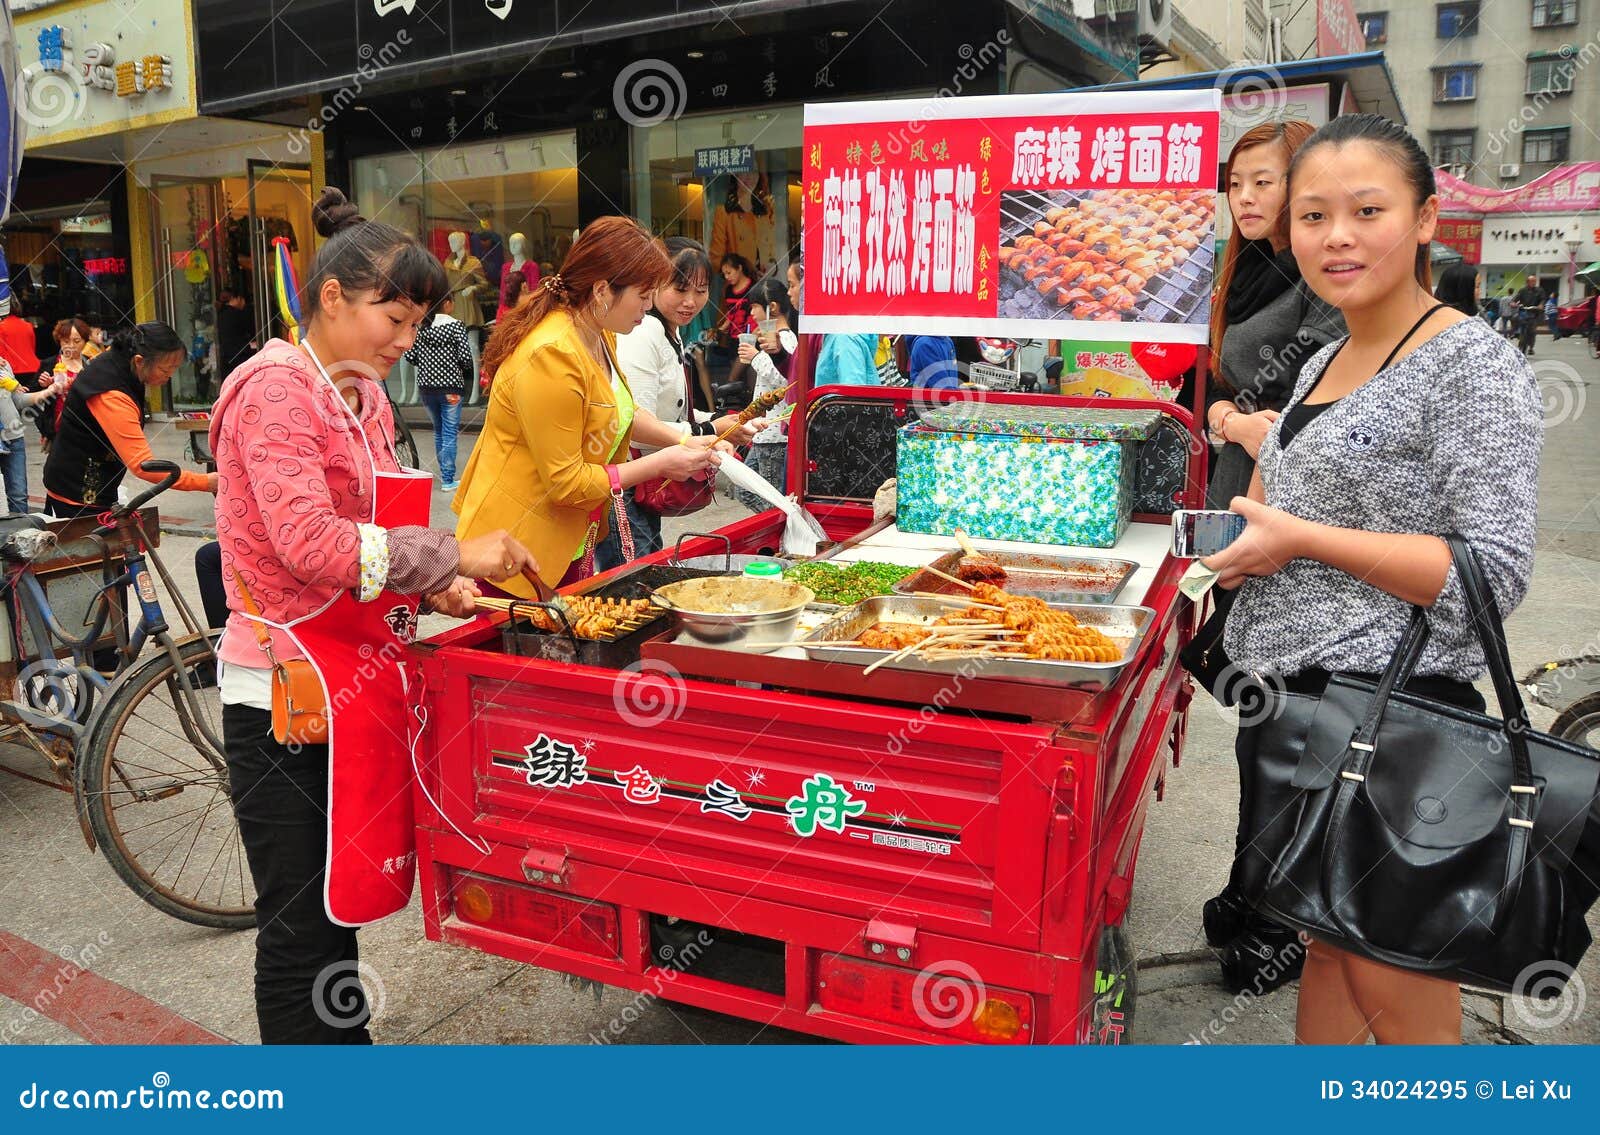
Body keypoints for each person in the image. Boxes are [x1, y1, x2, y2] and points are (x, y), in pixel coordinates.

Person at [1204, 114, 1544, 1044]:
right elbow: (1293, 477)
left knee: (1389, 965)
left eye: (1367, 210)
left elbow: (1490, 571)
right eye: (1313, 214)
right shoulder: (1324, 355)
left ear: (1427, 218)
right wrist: (1248, 542)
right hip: (1297, 706)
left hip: (1395, 720)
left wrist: (1301, 538)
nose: (1336, 236)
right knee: (1325, 942)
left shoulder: (1470, 363)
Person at [212, 186, 535, 1045]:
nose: (406, 341)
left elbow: (382, 533)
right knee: (297, 924)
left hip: (352, 681)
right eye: (391, 319)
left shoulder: (365, 395)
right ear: (330, 299)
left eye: (417, 322)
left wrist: (431, 587)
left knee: (338, 901)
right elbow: (312, 542)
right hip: (282, 697)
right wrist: (454, 555)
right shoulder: (276, 391)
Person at [1196, 120, 1346, 994]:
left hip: (1294, 525)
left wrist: (1255, 426)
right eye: (1237, 183)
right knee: (1257, 713)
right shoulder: (1241, 267)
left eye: (1266, 181)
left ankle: (1274, 914)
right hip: (1237, 504)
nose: (1249, 198)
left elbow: (1323, 408)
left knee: (1287, 725)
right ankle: (1254, 893)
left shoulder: (1321, 276)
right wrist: (1226, 419)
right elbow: (1220, 391)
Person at [453, 216, 724, 598]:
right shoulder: (553, 353)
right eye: (643, 295)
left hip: (572, 538)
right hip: (516, 548)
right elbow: (566, 482)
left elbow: (619, 418)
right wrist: (661, 462)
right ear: (602, 291)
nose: (647, 308)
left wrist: (687, 440)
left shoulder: (600, 335)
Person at [595, 237, 760, 572]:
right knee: (636, 584)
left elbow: (670, 411)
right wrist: (711, 429)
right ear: (653, 283)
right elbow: (635, 425)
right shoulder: (643, 332)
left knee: (646, 575)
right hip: (627, 486)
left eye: (700, 290)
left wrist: (719, 422)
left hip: (643, 484)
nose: (691, 301)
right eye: (680, 288)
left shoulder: (668, 330)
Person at [41, 322, 212, 518]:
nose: (170, 377)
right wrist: (206, 482)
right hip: (75, 495)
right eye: (165, 371)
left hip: (94, 485)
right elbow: (144, 466)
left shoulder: (120, 359)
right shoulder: (111, 394)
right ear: (139, 361)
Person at [732, 276, 798, 511]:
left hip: (775, 436)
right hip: (764, 434)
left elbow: (788, 382)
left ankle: (782, 527)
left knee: (772, 502)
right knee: (744, 491)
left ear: (772, 307)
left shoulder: (786, 339)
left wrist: (757, 358)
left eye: (754, 307)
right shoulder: (772, 339)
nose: (752, 313)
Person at [402, 295, 473, 491]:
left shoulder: (422, 327)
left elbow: (410, 354)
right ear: (448, 304)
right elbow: (466, 358)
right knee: (449, 432)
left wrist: (427, 363)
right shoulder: (456, 326)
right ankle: (448, 479)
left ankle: (445, 476)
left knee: (439, 431)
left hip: (426, 388)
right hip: (451, 388)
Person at [35, 317, 92, 452]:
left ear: (85, 341)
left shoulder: (92, 364)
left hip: (88, 428)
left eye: (77, 341)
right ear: (59, 341)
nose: (71, 346)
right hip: (59, 430)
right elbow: (29, 398)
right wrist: (44, 387)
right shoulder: (49, 365)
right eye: (66, 341)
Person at [214, 289, 257, 382]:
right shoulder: (238, 314)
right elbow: (251, 330)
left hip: (226, 357)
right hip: (241, 355)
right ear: (237, 298)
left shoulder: (221, 315)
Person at [1514, 275, 1543, 355]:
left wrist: (1541, 305)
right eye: (1532, 281)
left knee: (1532, 331)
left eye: (1534, 281)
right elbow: (1516, 299)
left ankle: (1531, 347)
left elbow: (1542, 299)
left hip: (1534, 313)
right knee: (1518, 323)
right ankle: (1518, 337)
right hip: (1524, 312)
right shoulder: (1522, 290)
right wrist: (1513, 303)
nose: (1534, 283)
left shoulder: (1539, 291)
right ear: (1527, 282)